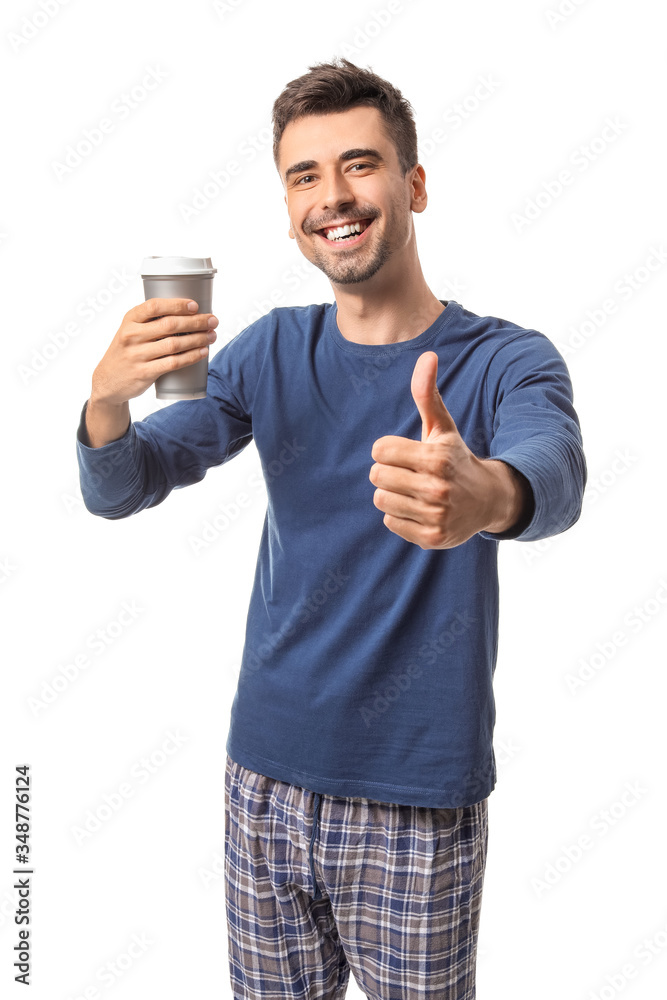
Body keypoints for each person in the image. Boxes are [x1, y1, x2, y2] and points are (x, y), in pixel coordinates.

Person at [76, 57, 587, 1000]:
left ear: (413, 184)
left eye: (359, 165)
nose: (332, 197)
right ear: (286, 206)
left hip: (414, 795)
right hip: (262, 782)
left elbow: (554, 468)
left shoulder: (505, 359)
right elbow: (125, 484)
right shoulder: (272, 347)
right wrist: (107, 400)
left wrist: (487, 494)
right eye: (304, 176)